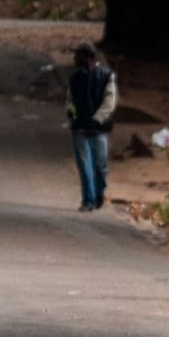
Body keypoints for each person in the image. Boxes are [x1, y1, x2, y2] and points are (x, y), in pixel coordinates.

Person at [65, 43, 116, 212]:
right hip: (79, 128)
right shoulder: (74, 78)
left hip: (98, 128)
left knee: (101, 166)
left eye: (77, 55)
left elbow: (110, 101)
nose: (74, 59)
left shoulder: (106, 76)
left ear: (87, 57)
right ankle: (88, 200)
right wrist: (71, 113)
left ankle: (98, 193)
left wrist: (97, 119)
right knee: (84, 165)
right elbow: (70, 101)